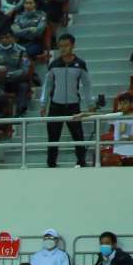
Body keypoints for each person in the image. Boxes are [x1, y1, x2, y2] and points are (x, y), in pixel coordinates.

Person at [42, 34, 92, 168]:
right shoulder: (54, 64)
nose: (63, 49)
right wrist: (43, 103)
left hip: (73, 106)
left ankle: (81, 163)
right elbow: (47, 85)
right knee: (53, 137)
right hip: (55, 106)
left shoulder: (80, 64)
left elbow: (87, 85)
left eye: (66, 45)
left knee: (78, 136)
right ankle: (51, 164)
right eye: (60, 46)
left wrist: (90, 103)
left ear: (73, 46)